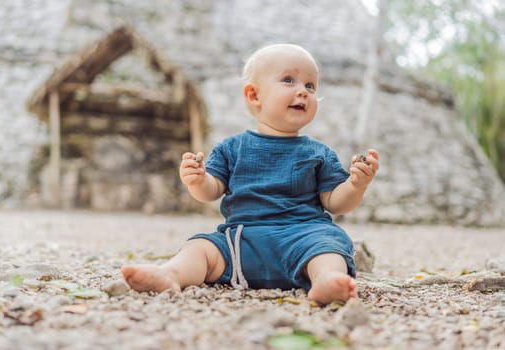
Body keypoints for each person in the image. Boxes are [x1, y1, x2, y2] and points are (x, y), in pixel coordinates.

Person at [121, 44, 379, 305]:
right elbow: (211, 191)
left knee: (331, 243)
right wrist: (198, 180)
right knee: (201, 247)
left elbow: (335, 202)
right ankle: (171, 273)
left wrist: (356, 183)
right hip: (242, 241)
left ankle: (326, 279)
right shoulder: (231, 148)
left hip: (304, 236)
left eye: (310, 86)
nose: (303, 91)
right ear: (254, 96)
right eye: (289, 80)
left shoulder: (320, 153)